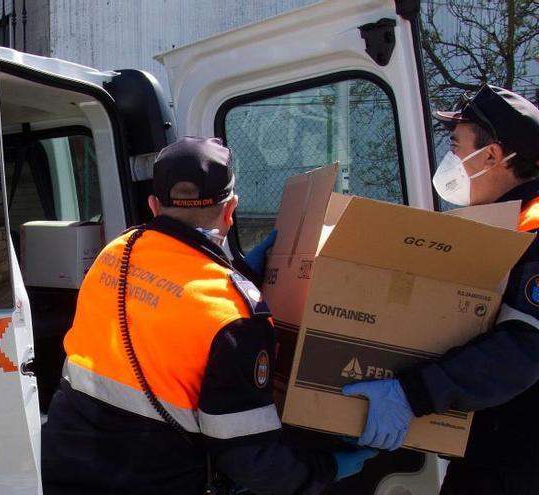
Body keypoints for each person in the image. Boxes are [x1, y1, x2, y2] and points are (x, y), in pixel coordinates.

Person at [42, 136, 375, 495]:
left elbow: (164, 306)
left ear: (154, 205)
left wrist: (242, 272)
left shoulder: (115, 253)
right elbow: (252, 460)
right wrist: (326, 469)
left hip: (65, 471)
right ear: (231, 209)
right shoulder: (235, 318)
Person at [341, 85, 539, 494]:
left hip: (518, 464)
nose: (450, 158)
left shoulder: (532, 232)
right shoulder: (505, 225)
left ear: (491, 156)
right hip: (496, 451)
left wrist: (413, 393)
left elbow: (524, 350)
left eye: (455, 145)